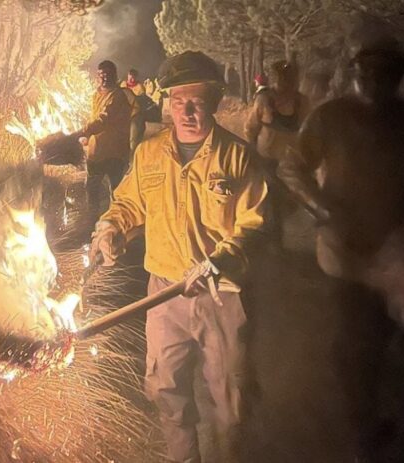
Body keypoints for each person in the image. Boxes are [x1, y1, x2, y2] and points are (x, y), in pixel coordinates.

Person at [90, 51, 271, 463]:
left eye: (197, 101)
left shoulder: (237, 156)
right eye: (178, 101)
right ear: (166, 102)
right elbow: (128, 202)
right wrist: (111, 228)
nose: (187, 111)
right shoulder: (149, 153)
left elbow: (255, 223)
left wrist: (219, 261)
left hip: (220, 296)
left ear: (215, 100)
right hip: (164, 296)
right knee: (167, 394)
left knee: (230, 402)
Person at [278, 37, 404, 462]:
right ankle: (363, 434)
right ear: (355, 71)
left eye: (388, 71)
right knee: (357, 348)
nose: (376, 79)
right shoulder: (332, 117)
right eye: (368, 70)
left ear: (402, 74)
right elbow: (293, 165)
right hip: (349, 258)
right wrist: (322, 208)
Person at [76, 60, 132, 218]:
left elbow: (104, 119)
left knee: (116, 191)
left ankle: (116, 225)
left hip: (115, 152)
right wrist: (87, 138)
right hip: (96, 152)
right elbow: (94, 118)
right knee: (92, 189)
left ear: (114, 76)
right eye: (102, 75)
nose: (105, 78)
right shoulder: (96, 95)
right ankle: (91, 222)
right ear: (97, 76)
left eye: (108, 74)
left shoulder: (118, 96)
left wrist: (83, 131)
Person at [244, 61, 310, 164]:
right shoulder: (264, 99)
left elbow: (307, 131)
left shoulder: (302, 101)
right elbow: (251, 128)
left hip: (292, 162)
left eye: (287, 78)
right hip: (268, 159)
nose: (283, 81)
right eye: (282, 77)